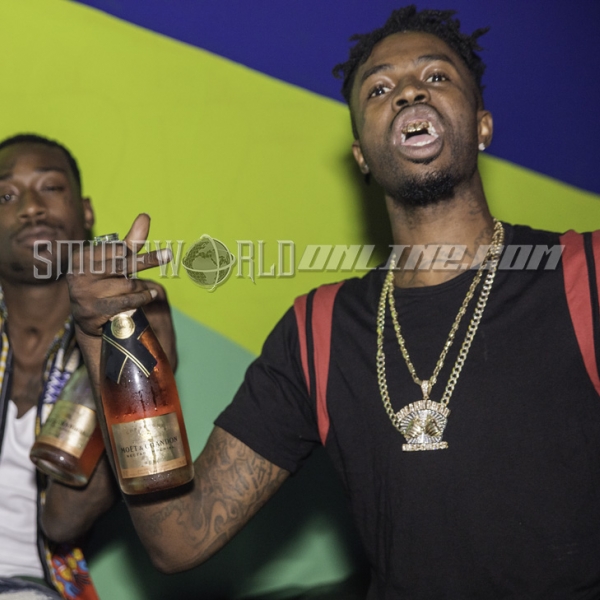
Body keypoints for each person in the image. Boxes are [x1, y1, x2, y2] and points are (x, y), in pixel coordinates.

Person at [64, 6, 600, 599]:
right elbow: (177, 537)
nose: (409, 92)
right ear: (361, 155)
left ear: (482, 126)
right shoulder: (316, 331)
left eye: (437, 76)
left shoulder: (585, 275)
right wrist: (111, 345)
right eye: (379, 89)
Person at [0, 134, 177, 599]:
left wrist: (135, 379)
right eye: (6, 196)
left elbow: (64, 521)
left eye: (51, 187)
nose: (31, 208)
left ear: (86, 211)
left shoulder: (127, 324)